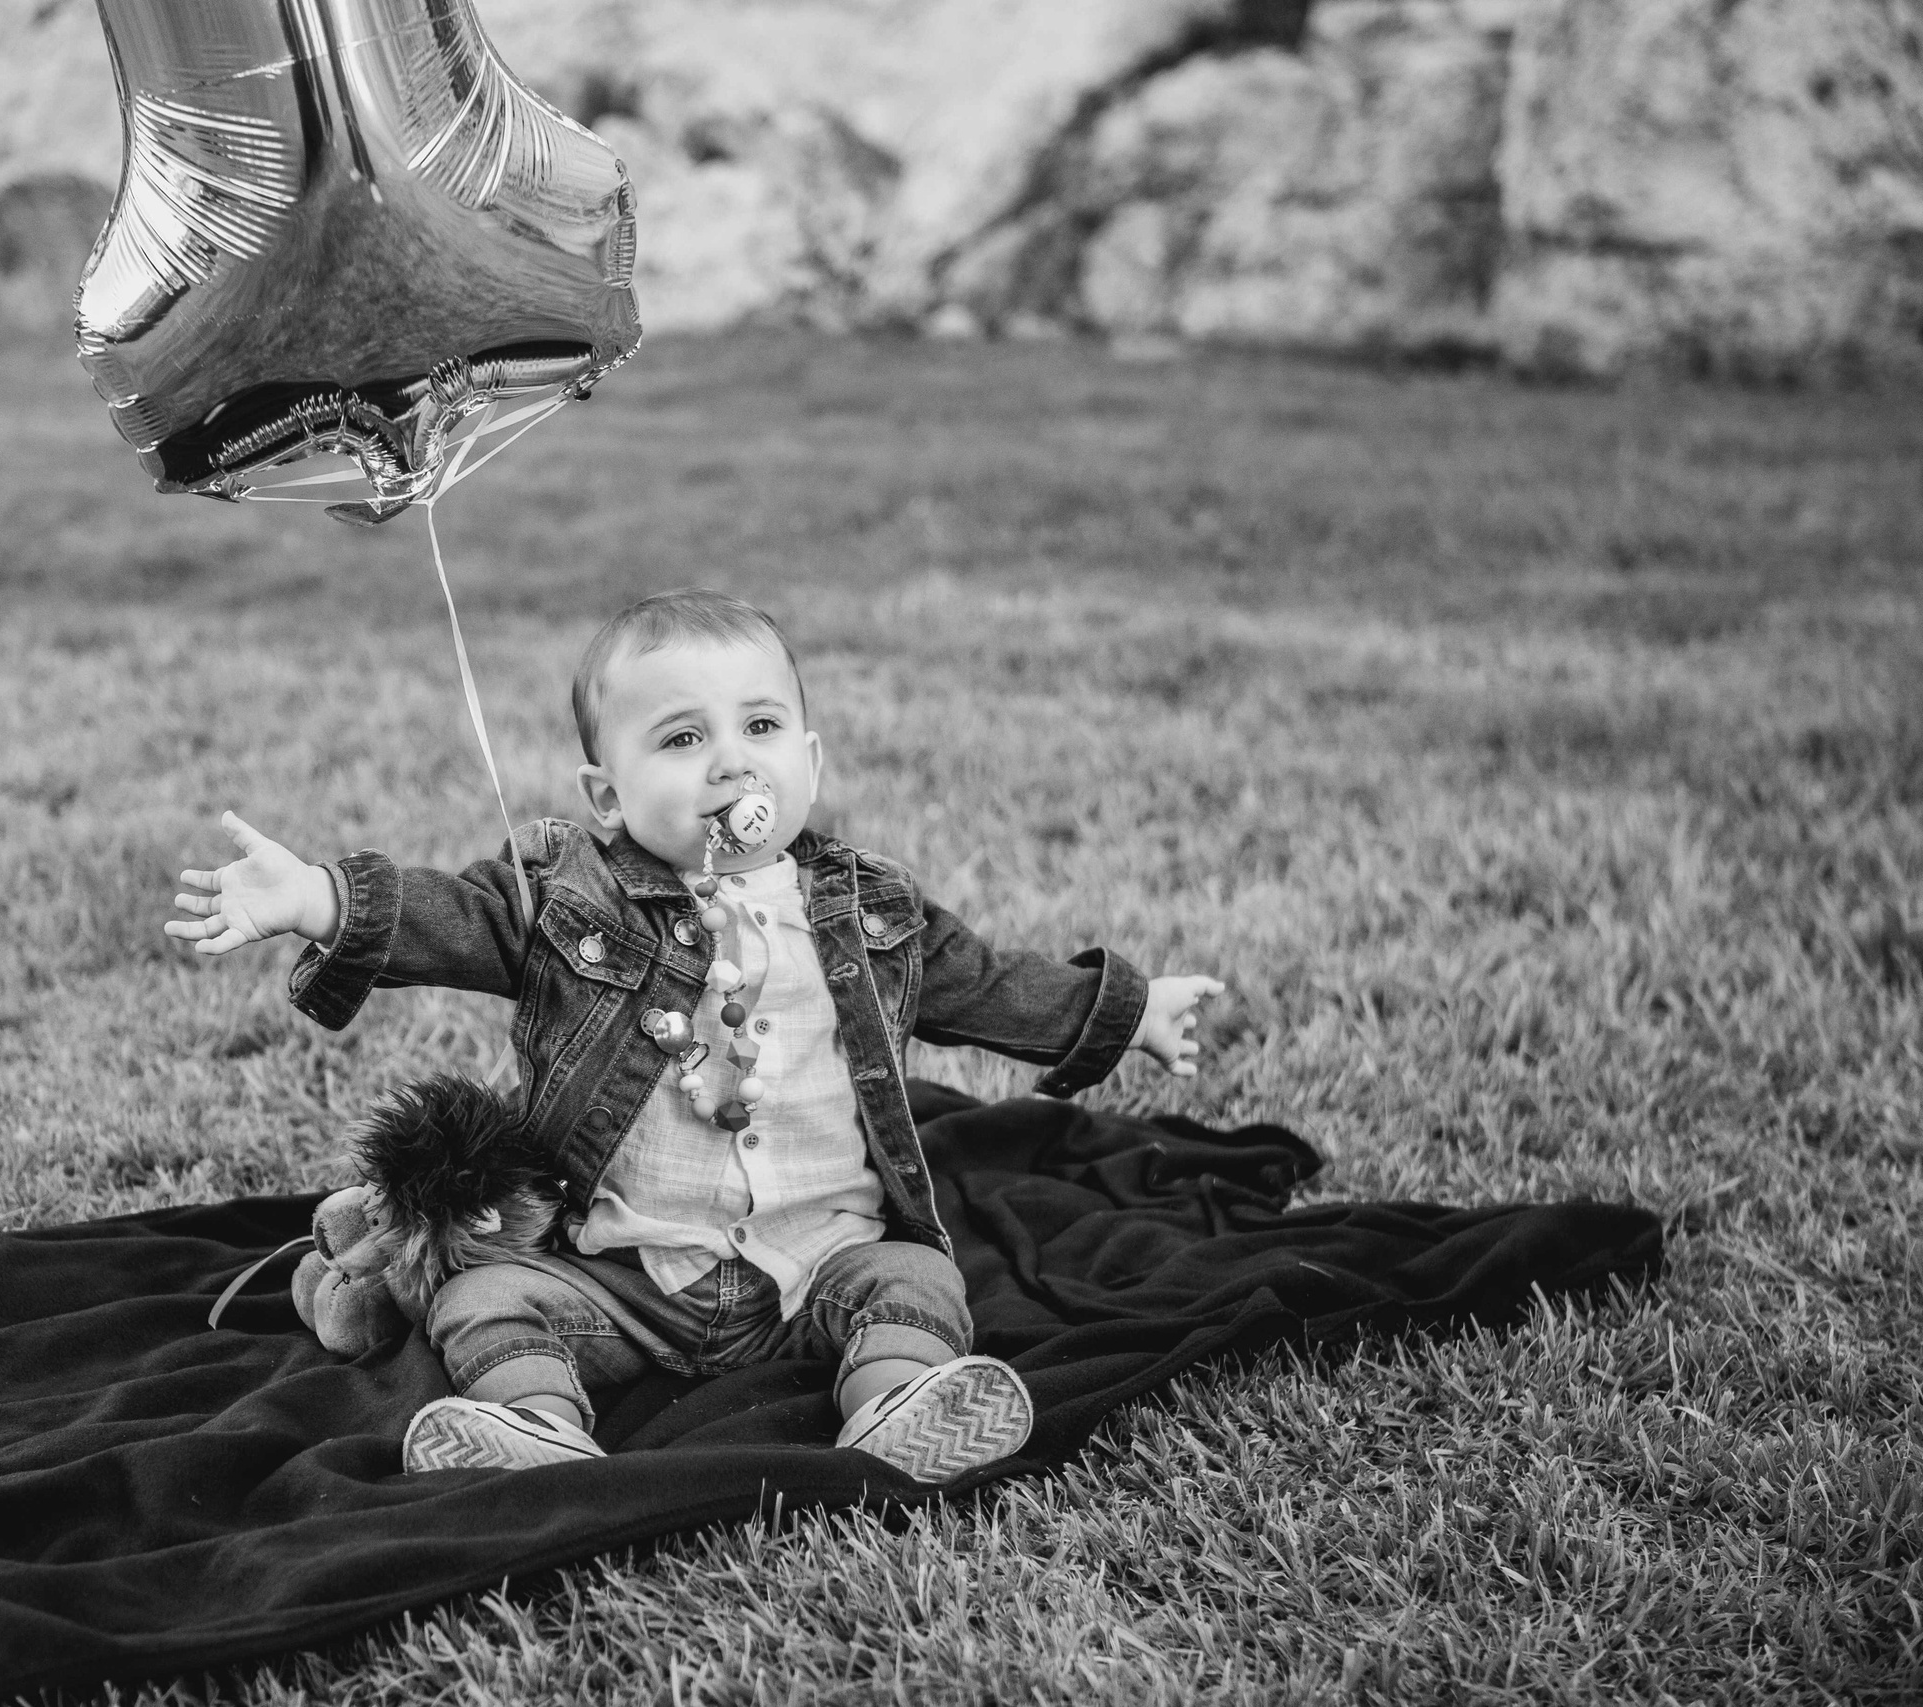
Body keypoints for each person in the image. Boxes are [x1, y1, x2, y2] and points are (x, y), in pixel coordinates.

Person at [167, 590, 1223, 1483]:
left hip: (820, 1265)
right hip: (626, 1283)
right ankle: (536, 1427)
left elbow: (993, 987)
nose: (731, 763)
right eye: (682, 740)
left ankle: (898, 1404)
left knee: (918, 1281)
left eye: (760, 729)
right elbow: (453, 916)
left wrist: (1125, 1014)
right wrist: (313, 896)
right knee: (480, 1294)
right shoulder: (575, 900)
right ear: (607, 796)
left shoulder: (869, 913)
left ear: (808, 757)